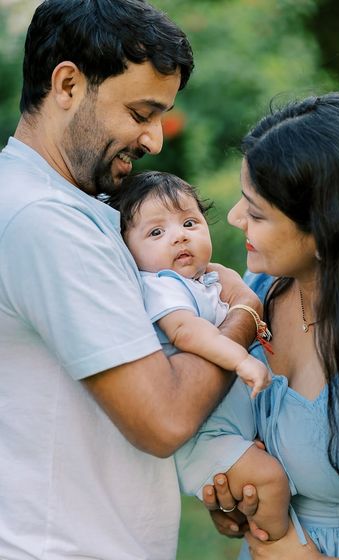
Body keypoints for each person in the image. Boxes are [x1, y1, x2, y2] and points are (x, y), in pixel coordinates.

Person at [0, 1, 263, 559]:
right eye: (142, 113)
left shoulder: (78, 208)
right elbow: (163, 418)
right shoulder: (43, 221)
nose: (155, 140)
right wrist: (242, 316)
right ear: (67, 84)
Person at [175, 92, 339, 559]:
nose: (232, 218)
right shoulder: (262, 288)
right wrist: (237, 486)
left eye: (257, 212)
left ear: (329, 233)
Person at [108, 170, 290, 540]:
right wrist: (239, 358)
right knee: (270, 481)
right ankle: (278, 545)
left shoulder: (206, 280)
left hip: (227, 426)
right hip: (204, 437)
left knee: (268, 478)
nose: (179, 236)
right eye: (156, 232)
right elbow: (187, 332)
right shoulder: (161, 288)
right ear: (127, 250)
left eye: (189, 222)